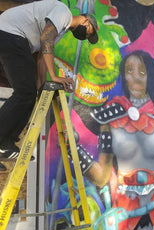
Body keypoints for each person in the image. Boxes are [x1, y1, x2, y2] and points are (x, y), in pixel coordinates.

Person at [72, 50, 154, 230]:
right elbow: (101, 176)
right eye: (129, 70)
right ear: (124, 76)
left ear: (149, 76)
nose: (136, 76)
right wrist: (74, 150)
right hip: (124, 210)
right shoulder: (111, 114)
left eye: (142, 71)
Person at [0, 0, 99, 159]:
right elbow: (46, 40)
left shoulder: (61, 30)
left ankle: (6, 143)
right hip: (10, 33)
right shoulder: (63, 12)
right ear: (85, 21)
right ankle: (2, 141)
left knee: (29, 95)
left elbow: (41, 57)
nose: (86, 36)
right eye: (89, 32)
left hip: (12, 37)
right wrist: (54, 77)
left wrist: (40, 87)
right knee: (24, 93)